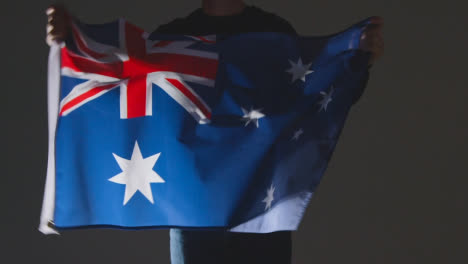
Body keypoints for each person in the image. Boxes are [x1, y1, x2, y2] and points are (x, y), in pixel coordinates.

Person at [45, 1, 384, 264]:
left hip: (258, 201)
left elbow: (310, 100)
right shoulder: (175, 35)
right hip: (195, 207)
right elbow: (121, 74)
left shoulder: (273, 32)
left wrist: (358, 60)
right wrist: (72, 40)